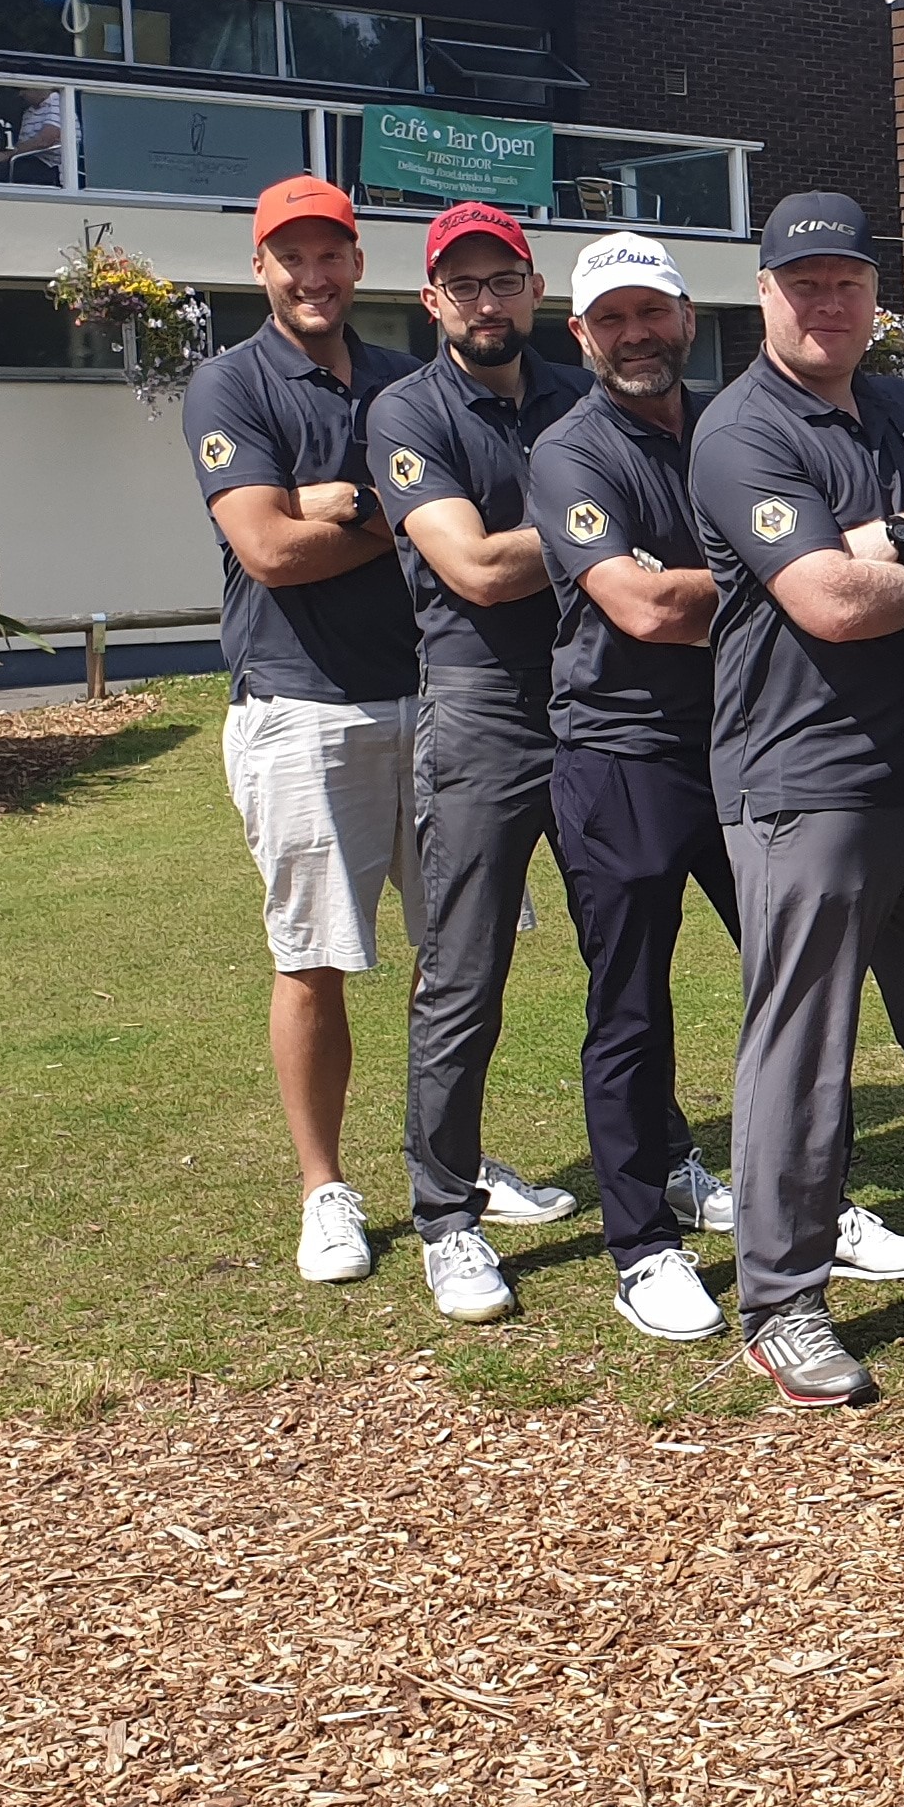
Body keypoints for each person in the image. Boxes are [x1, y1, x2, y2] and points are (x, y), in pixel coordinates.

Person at [687, 192, 904, 1406]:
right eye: (804, 283)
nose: (827, 301)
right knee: (805, 1043)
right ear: (764, 296)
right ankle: (783, 1299)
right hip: (801, 777)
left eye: (847, 280)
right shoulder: (742, 430)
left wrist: (894, 534)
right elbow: (832, 604)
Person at [180, 175, 426, 1288]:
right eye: (293, 257)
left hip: (435, 693)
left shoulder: (403, 379)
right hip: (299, 704)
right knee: (315, 955)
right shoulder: (230, 385)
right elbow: (271, 552)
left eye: (332, 255)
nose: (314, 275)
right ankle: (324, 1188)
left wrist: (338, 502)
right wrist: (398, 510)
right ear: (261, 266)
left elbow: (469, 499)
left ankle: (449, 1158)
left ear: (358, 264)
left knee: (457, 955)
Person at [365, 201, 597, 1326]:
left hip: (601, 702)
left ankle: (655, 1163)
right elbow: (476, 571)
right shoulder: (406, 411)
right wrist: (608, 534)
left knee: (630, 952)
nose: (485, 302)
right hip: (480, 714)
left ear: (534, 287)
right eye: (462, 287)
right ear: (432, 303)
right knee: (464, 971)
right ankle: (446, 1215)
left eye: (501, 280)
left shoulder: (579, 395)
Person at [521, 234, 744, 1345]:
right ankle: (642, 1243)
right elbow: (643, 610)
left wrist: (714, 582)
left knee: (798, 987)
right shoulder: (570, 452)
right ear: (581, 334)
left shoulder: (735, 428)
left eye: (652, 313)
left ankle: (810, 1196)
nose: (636, 335)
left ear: (687, 318)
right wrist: (784, 571)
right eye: (611, 320)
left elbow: (677, 594)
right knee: (630, 1009)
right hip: (621, 756)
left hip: (748, 744)